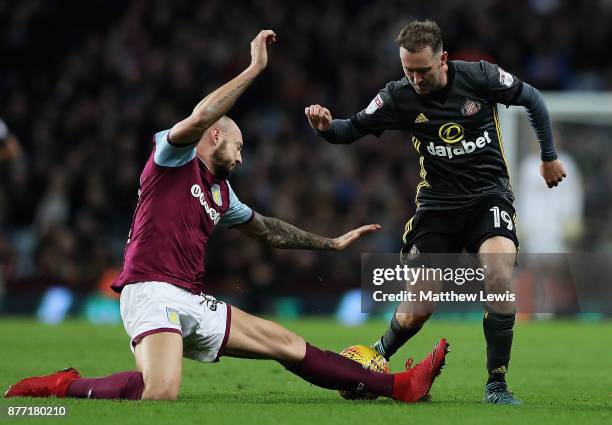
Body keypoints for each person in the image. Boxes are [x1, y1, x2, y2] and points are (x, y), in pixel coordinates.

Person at [5, 30, 448, 403]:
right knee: (160, 392)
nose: (241, 157)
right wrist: (254, 69)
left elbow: (269, 231)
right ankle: (64, 385)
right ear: (216, 136)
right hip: (148, 290)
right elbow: (200, 114)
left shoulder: (221, 194)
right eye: (238, 147)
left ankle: (399, 385)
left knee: (286, 343)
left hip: (191, 296)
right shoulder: (171, 156)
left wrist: (328, 243)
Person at [305, 20, 566, 405]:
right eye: (407, 69)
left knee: (498, 276)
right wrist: (326, 128)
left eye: (422, 70)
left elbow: (533, 99)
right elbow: (352, 128)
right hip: (437, 208)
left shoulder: (480, 76)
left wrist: (548, 157)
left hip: (487, 199)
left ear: (443, 59)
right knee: (420, 306)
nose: (415, 78)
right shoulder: (397, 97)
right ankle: (375, 359)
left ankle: (496, 383)